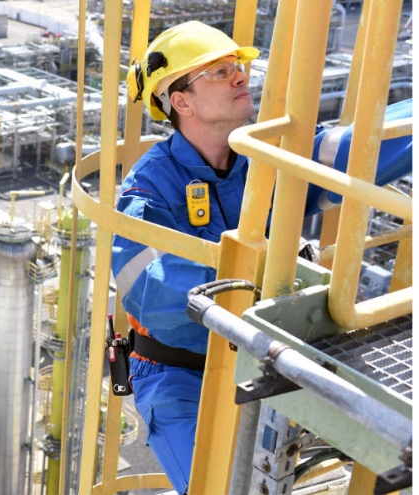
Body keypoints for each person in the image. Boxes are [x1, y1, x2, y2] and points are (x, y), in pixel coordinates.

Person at [111, 21, 412, 494]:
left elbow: (347, 154)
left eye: (239, 67)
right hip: (179, 375)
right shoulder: (149, 187)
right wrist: (269, 271)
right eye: (219, 72)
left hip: (268, 352)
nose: (240, 77)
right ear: (180, 101)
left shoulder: (261, 152)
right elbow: (150, 292)